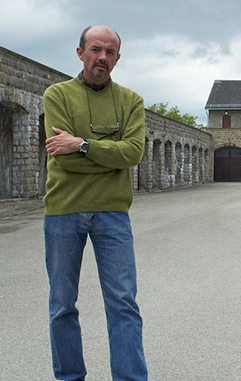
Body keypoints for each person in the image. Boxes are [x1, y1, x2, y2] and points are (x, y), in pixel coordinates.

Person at [43, 25, 147, 381]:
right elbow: (62, 159)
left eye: (110, 52)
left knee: (123, 304)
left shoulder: (131, 101)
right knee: (62, 305)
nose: (102, 57)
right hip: (63, 211)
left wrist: (82, 144)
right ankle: (69, 376)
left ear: (118, 59)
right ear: (80, 52)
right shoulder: (57, 95)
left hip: (112, 214)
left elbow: (132, 153)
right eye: (95, 49)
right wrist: (105, 155)